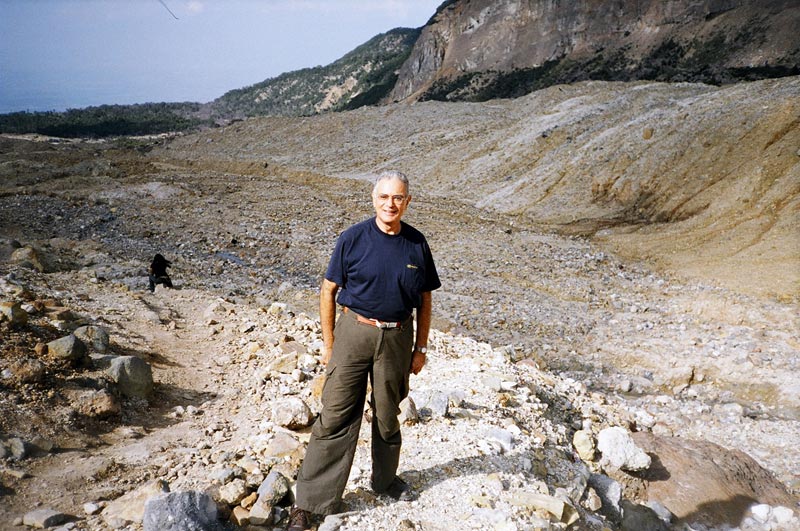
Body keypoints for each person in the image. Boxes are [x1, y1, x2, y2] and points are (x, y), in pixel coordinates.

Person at [287, 171, 441, 531]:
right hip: (354, 333)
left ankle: (385, 482)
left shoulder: (417, 244)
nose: (391, 204)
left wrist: (420, 347)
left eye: (398, 198)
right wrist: (329, 344)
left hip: (398, 338)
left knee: (388, 416)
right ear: (374, 199)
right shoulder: (353, 238)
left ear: (408, 202)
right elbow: (327, 291)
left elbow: (425, 299)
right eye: (384, 197)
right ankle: (310, 504)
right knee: (336, 414)